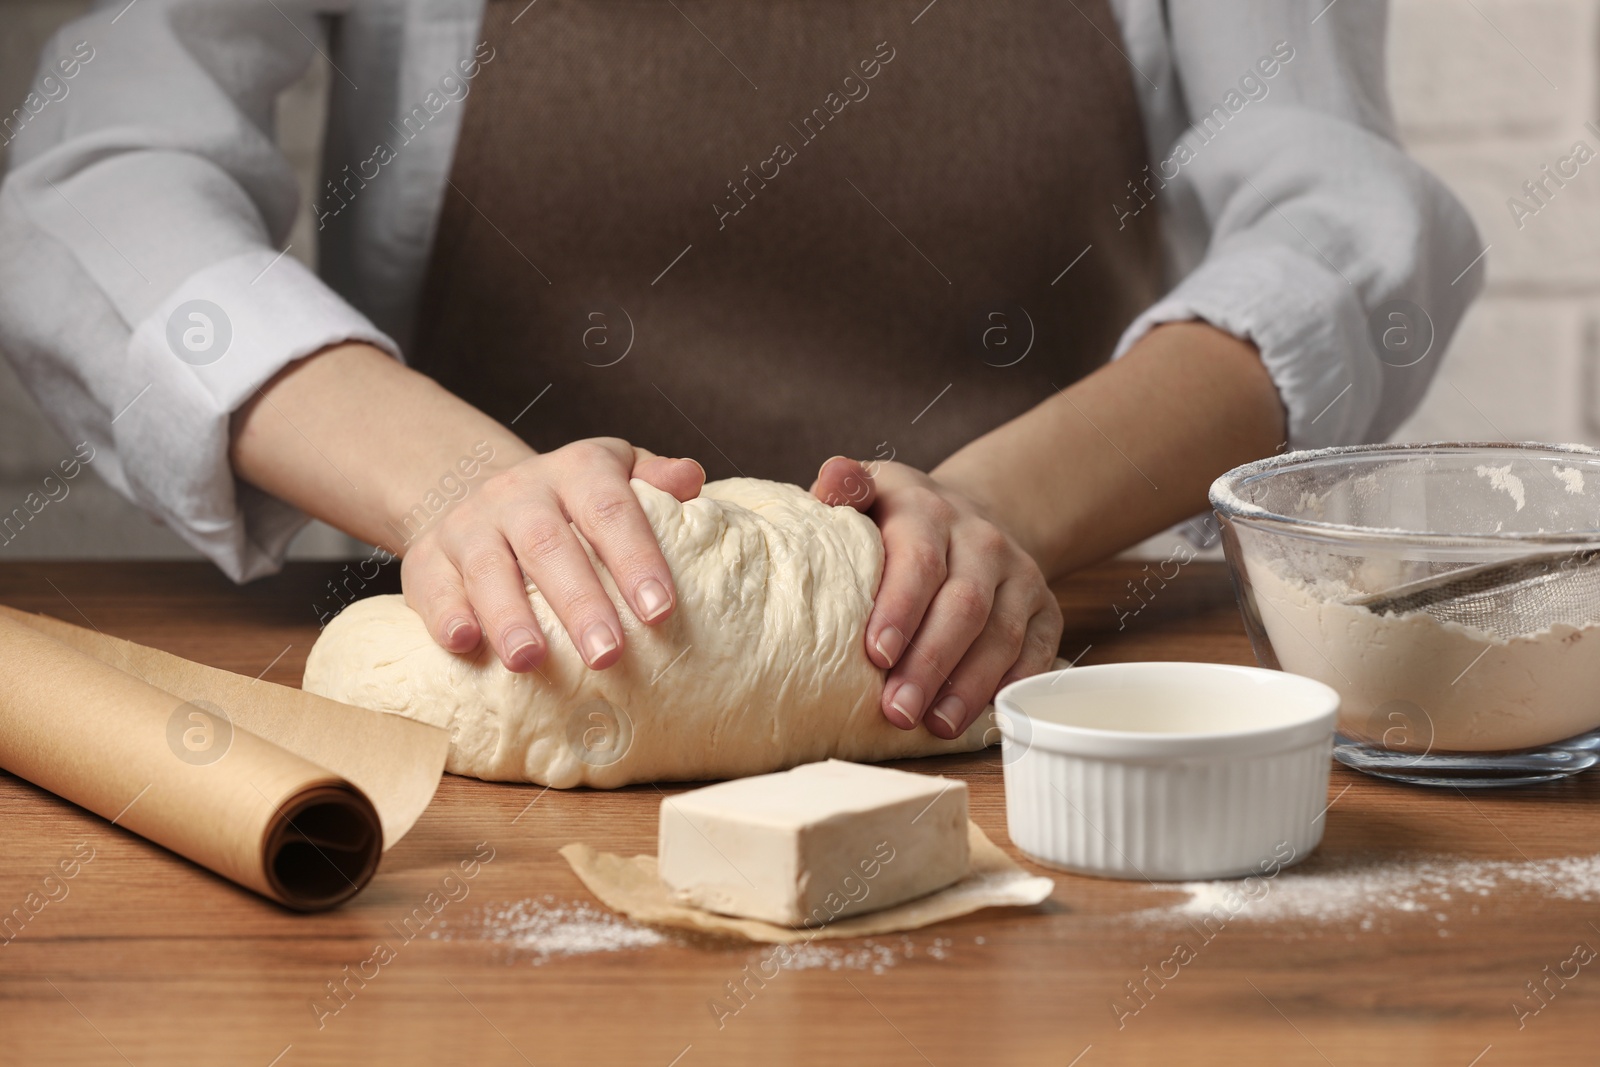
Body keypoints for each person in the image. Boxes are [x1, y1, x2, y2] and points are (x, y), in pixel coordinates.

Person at [0, 0, 1481, 743]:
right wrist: (464, 485)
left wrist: (994, 517)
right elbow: (94, 178)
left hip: (1016, 675)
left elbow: (1349, 221)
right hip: (487, 657)